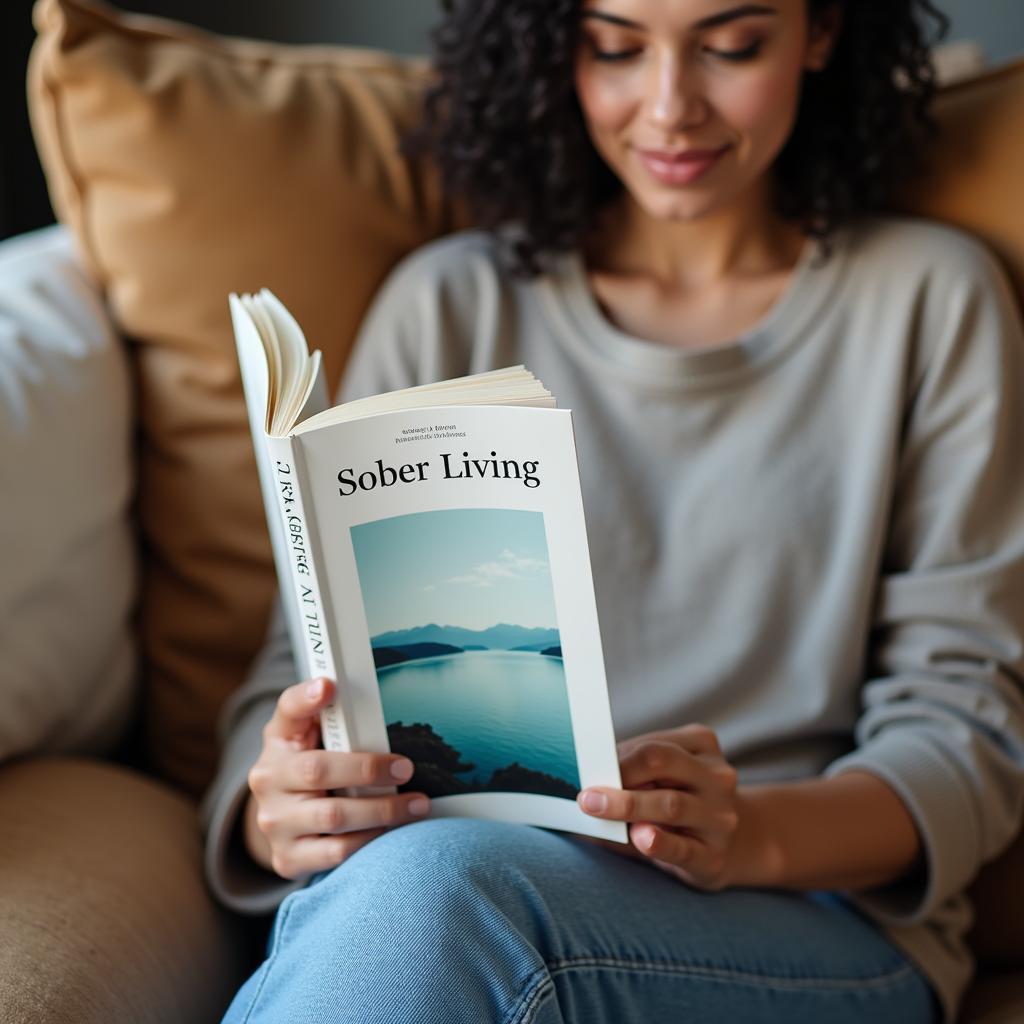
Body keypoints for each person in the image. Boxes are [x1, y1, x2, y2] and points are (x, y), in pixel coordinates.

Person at [200, 1, 1024, 1022]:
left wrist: (747, 833)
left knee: (438, 893)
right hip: (452, 888)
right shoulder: (450, 305)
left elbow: (966, 726)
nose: (670, 106)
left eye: (731, 45)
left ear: (819, 30)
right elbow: (301, 668)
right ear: (553, 49)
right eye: (615, 47)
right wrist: (273, 810)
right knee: (427, 887)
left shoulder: (929, 300)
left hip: (805, 908)